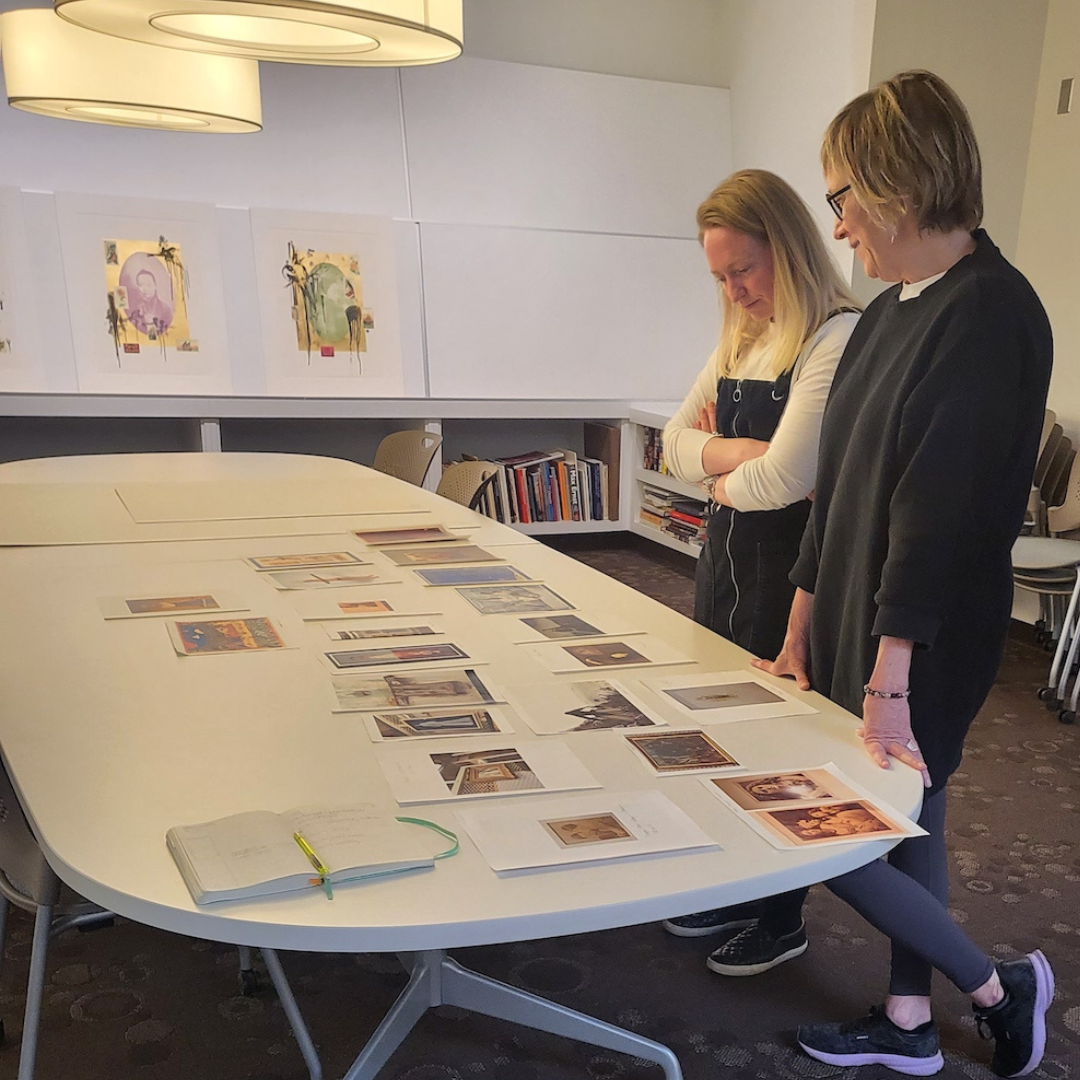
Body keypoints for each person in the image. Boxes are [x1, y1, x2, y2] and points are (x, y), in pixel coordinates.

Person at [754, 71, 1053, 1078]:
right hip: (851, 612)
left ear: (895, 184)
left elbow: (934, 516)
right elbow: (837, 492)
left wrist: (890, 679)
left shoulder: (993, 314)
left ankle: (997, 987)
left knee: (827, 829)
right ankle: (909, 1020)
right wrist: (798, 624)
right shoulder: (887, 314)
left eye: (840, 195)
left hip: (921, 632)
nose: (835, 222)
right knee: (907, 819)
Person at [660, 169, 860, 975]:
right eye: (720, 276)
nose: (734, 290)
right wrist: (736, 460)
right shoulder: (743, 339)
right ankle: (738, 883)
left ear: (790, 247)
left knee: (781, 745)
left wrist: (719, 466)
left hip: (791, 577)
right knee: (722, 734)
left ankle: (782, 917)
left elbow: (790, 484)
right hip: (726, 565)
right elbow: (670, 447)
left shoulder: (834, 337)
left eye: (744, 268)